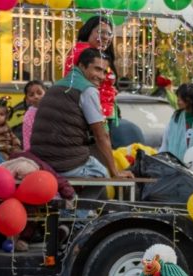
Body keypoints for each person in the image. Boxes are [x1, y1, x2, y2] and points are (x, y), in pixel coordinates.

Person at [30, 48, 131, 179]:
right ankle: (83, 200)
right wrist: (115, 172)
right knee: (102, 173)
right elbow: (101, 136)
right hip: (65, 164)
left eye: (104, 72)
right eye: (97, 69)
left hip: (41, 161)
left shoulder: (56, 86)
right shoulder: (87, 90)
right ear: (82, 66)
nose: (101, 76)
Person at [64, 16, 119, 124]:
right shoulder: (83, 53)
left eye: (109, 34)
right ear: (88, 31)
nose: (105, 37)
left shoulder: (98, 54)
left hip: (97, 112)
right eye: (100, 32)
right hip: (89, 114)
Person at [18, 80, 46, 150]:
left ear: (46, 93)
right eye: (31, 95)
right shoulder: (28, 116)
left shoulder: (53, 110)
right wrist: (29, 153)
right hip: (36, 150)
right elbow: (27, 138)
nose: (36, 96)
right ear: (27, 99)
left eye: (39, 93)